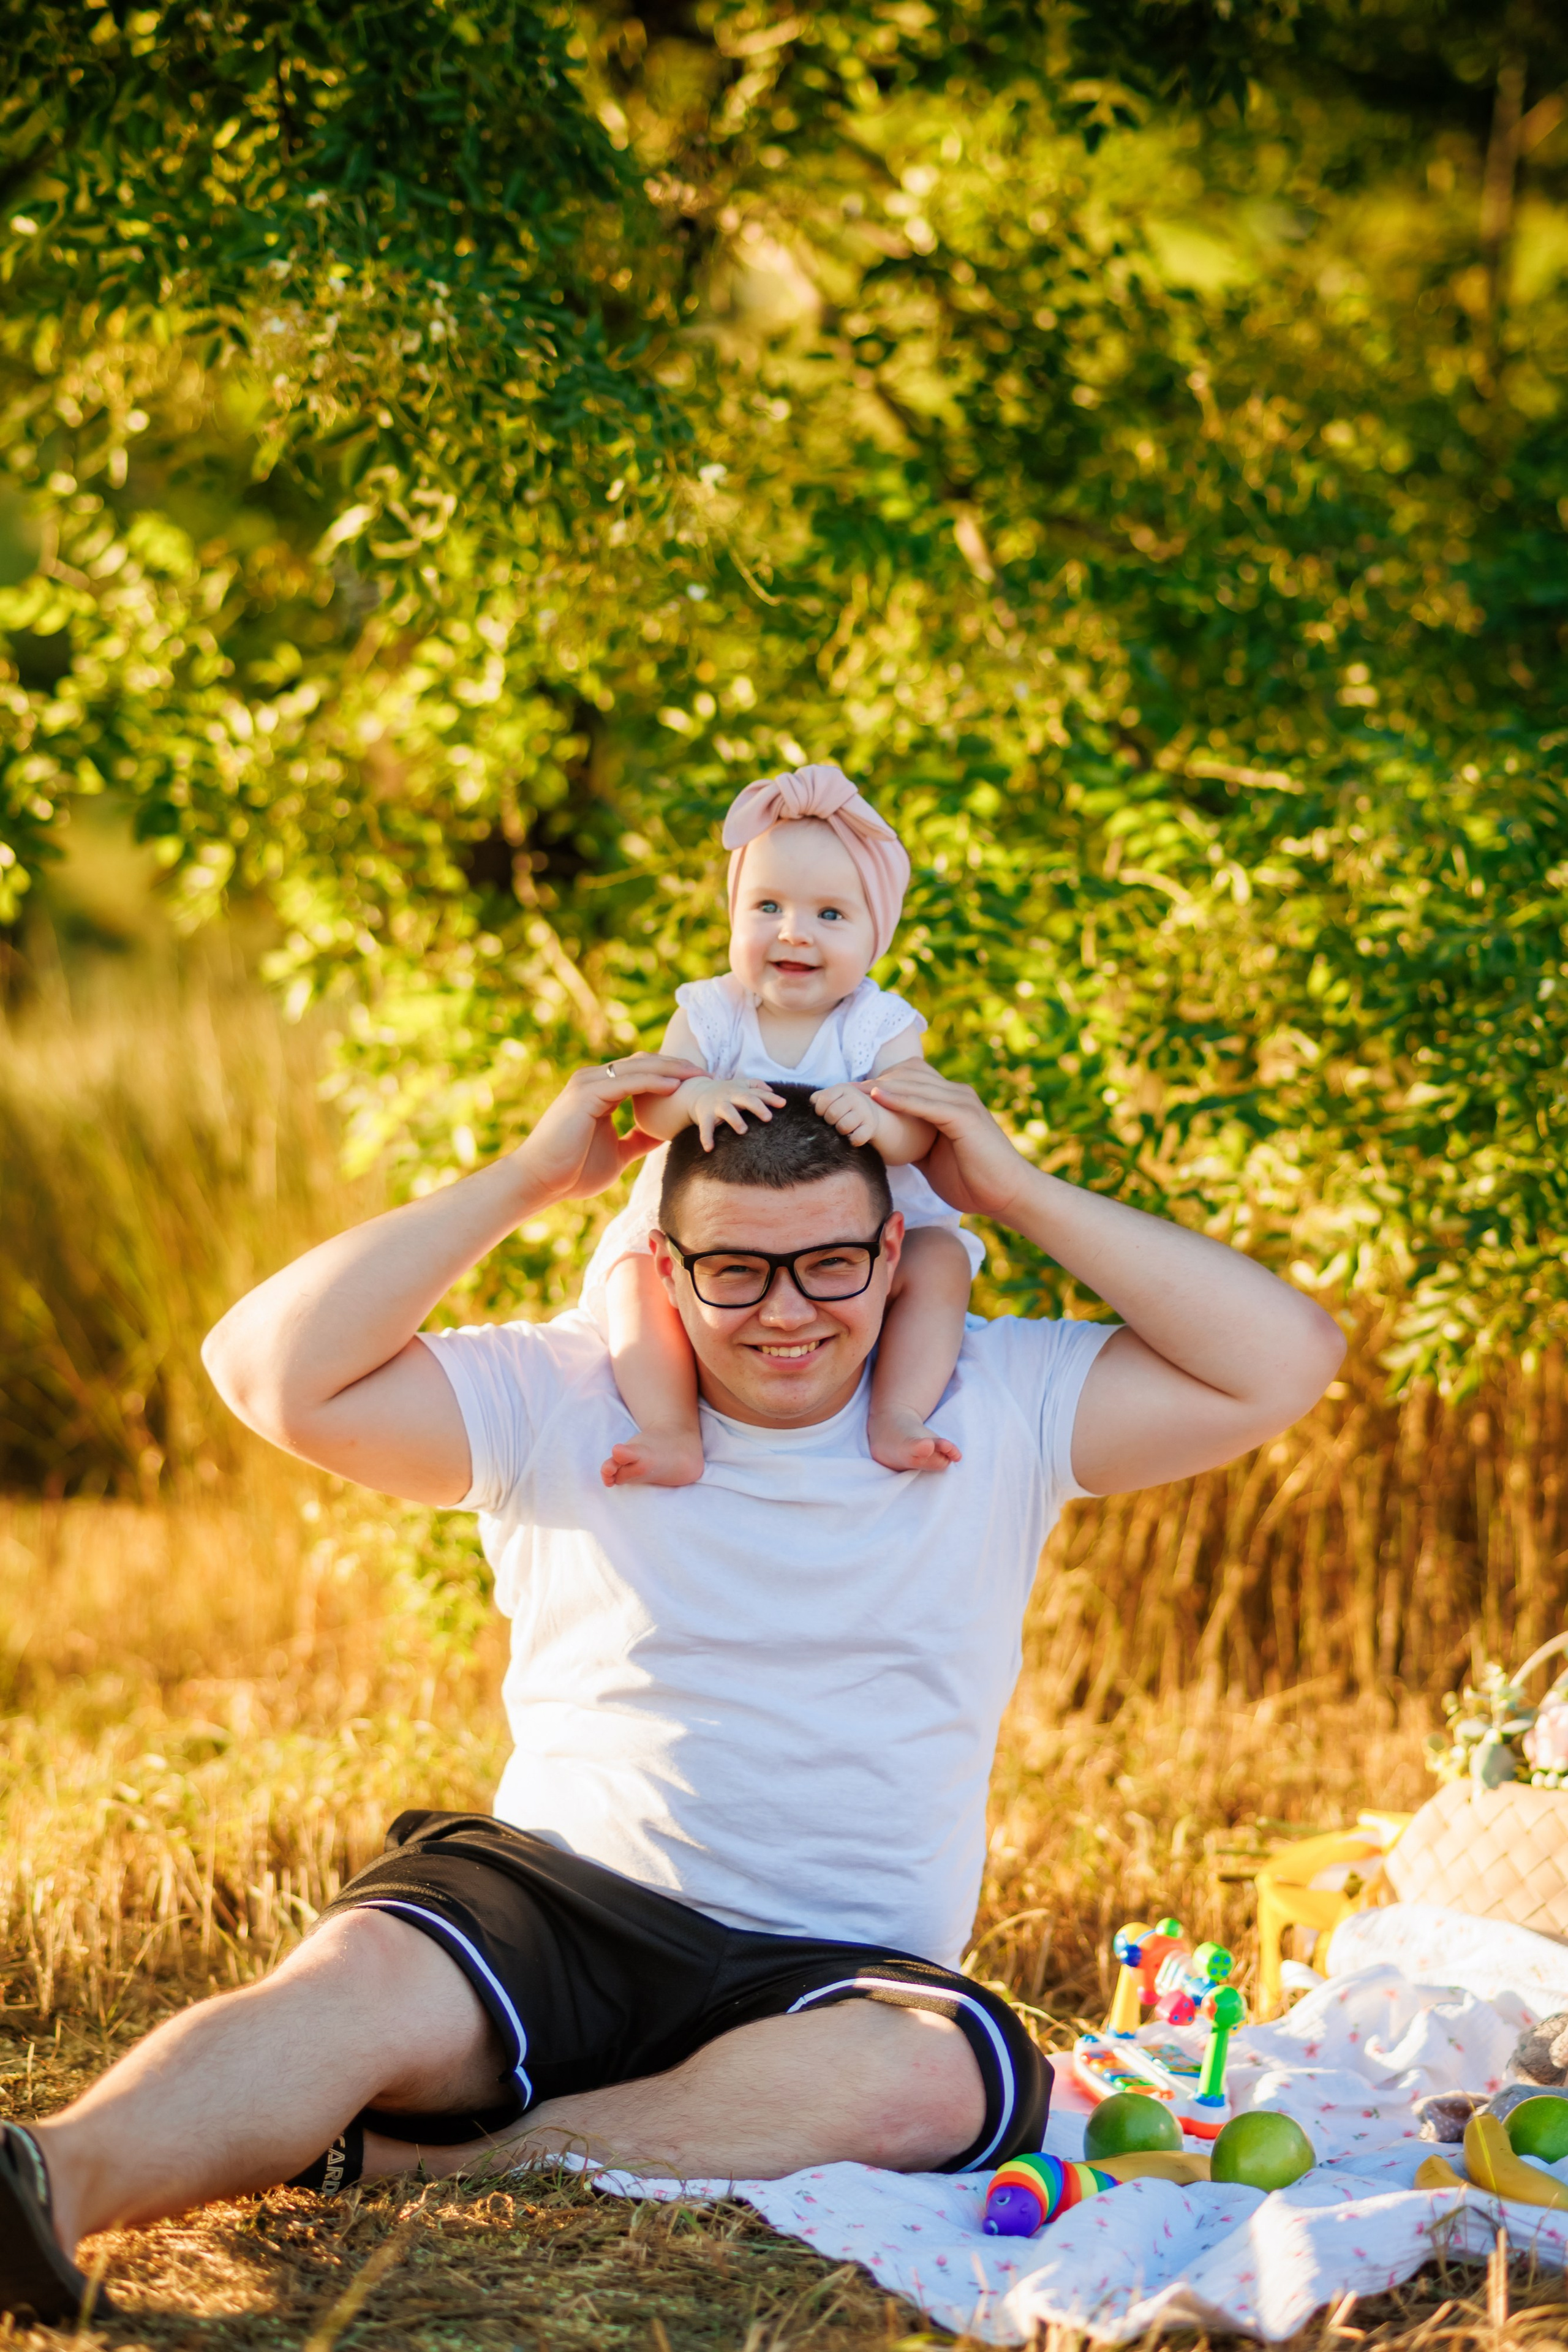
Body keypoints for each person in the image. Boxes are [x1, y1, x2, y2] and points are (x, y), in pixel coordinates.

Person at [0, 1054, 1344, 2323]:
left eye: (828, 1265)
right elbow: (262, 1373)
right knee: (351, 1982)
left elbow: (1283, 1359)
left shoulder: (995, 1401)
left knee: (943, 2075)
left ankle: (440, 2168)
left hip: (829, 1981)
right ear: (664, 1265)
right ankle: (49, 2187)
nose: (784, 1311)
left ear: (893, 1257)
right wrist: (531, 1174)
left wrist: (1005, 1184)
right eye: (735, 1270)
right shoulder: (563, 1393)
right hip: (551, 1914)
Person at [585, 760, 979, 1487]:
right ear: (732, 917)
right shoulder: (710, 1011)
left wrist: (880, 1120)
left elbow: (919, 1135)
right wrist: (694, 1099)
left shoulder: (879, 1026)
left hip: (862, 1237)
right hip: (716, 1235)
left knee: (941, 1262)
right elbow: (653, 1106)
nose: (793, 934)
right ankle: (669, 1429)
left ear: (875, 937)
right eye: (766, 907)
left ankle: (896, 1412)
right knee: (637, 1275)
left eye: (830, 915)